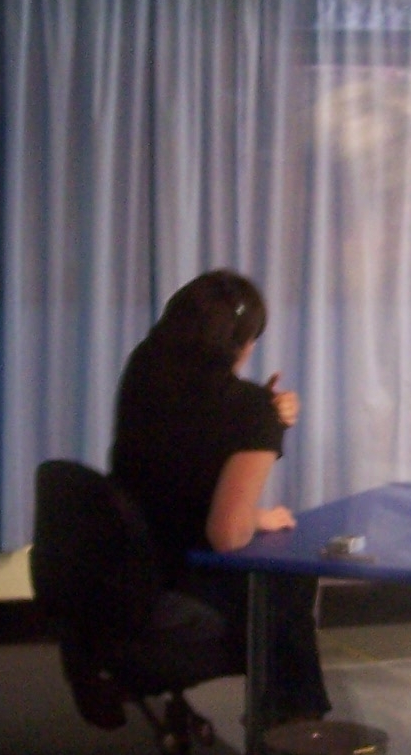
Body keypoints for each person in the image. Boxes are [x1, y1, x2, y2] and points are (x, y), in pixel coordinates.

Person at [108, 269, 330, 725]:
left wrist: (263, 419)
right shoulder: (248, 408)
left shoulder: (144, 368)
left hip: (127, 565)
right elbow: (227, 534)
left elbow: (187, 449)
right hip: (181, 577)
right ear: (243, 343)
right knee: (286, 574)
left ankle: (286, 727)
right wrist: (262, 425)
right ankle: (293, 737)